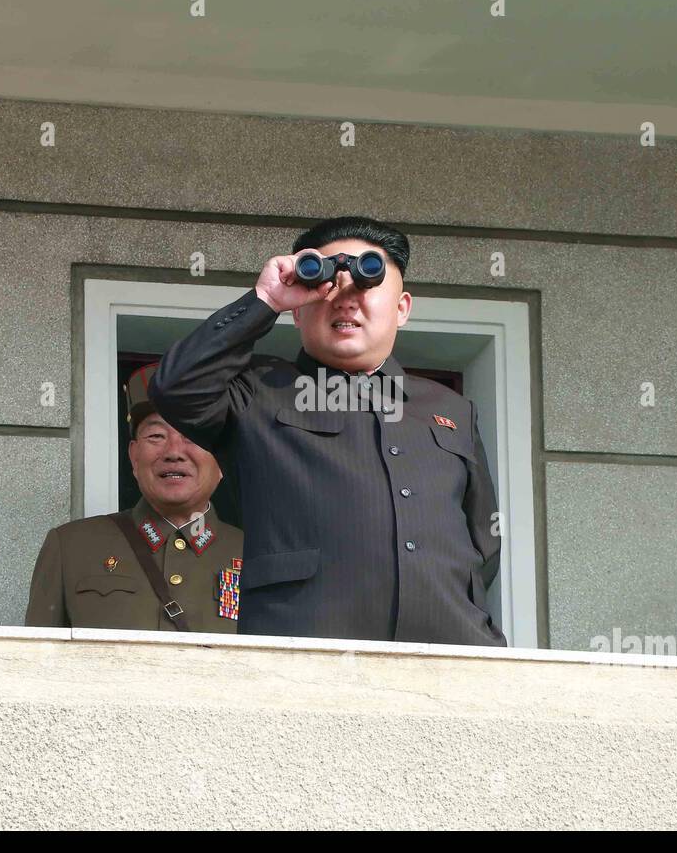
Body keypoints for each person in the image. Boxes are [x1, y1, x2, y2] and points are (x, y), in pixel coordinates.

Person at [150, 215, 504, 645]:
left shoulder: (450, 409)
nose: (346, 300)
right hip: (304, 659)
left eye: (366, 283)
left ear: (402, 308)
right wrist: (264, 299)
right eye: (329, 285)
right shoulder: (259, 392)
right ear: (298, 309)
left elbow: (483, 542)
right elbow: (175, 387)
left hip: (452, 654)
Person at [26, 363, 243, 631]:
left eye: (192, 435)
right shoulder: (71, 547)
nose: (174, 451)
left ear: (222, 459)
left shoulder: (254, 555)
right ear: (133, 456)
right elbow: (37, 662)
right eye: (156, 435)